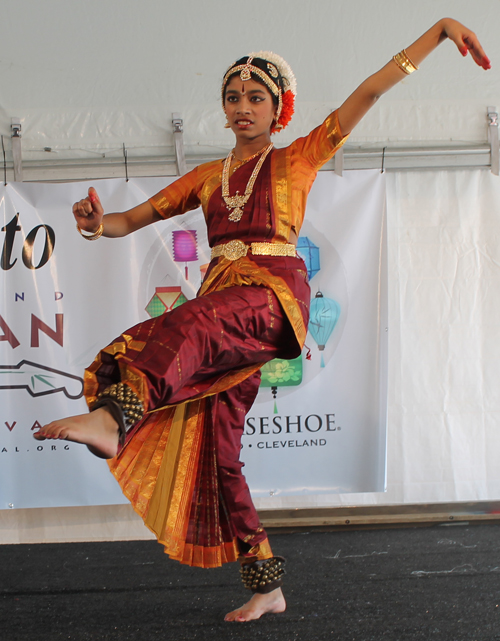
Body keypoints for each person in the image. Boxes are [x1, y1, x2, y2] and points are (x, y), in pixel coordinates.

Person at [34, 19, 489, 623]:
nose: (242, 107)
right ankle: (266, 583)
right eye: (233, 97)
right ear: (223, 110)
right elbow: (130, 219)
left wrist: (437, 35)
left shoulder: (300, 157)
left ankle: (114, 418)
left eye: (255, 97)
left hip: (271, 299)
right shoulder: (206, 178)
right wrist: (94, 222)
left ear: (280, 109)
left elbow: (369, 93)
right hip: (228, 311)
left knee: (191, 322)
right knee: (221, 453)